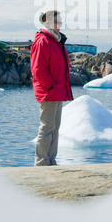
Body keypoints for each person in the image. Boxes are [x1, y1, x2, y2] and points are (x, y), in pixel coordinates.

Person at [30, 10, 73, 166]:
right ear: (49, 23)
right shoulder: (43, 41)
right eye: (57, 21)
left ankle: (51, 161)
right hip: (48, 93)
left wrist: (58, 88)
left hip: (58, 91)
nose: (60, 24)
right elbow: (37, 69)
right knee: (47, 127)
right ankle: (41, 161)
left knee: (55, 128)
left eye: (61, 21)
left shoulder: (56, 41)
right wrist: (50, 87)